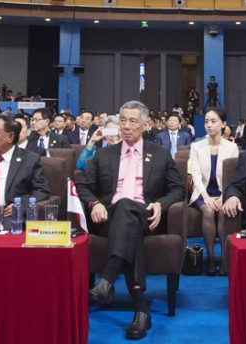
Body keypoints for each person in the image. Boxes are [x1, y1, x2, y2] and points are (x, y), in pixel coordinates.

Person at [79, 100, 186, 341]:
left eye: (132, 121)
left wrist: (161, 204)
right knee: (126, 214)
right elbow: (83, 185)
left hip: (147, 216)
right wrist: (94, 203)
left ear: (146, 124)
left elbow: (178, 189)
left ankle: (108, 279)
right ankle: (141, 309)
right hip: (108, 217)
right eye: (123, 120)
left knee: (128, 208)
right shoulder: (104, 154)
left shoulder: (159, 154)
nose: (126, 126)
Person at [189, 108, 239, 275]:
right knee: (209, 211)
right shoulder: (196, 146)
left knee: (224, 211)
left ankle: (225, 259)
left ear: (223, 124)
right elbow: (195, 174)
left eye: (213, 121)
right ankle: (210, 258)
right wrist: (206, 197)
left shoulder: (232, 147)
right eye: (206, 122)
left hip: (224, 191)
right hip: (202, 192)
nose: (209, 125)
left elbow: (232, 176)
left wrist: (224, 196)